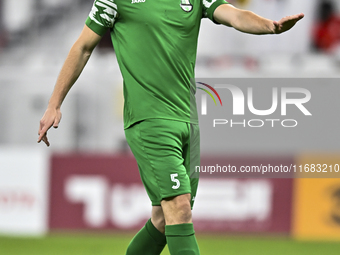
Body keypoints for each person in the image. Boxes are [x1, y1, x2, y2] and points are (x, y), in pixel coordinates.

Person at [38, 1, 304, 254]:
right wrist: (54, 103)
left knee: (164, 220)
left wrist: (270, 26)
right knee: (179, 208)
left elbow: (234, 15)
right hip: (149, 119)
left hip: (188, 120)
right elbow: (83, 47)